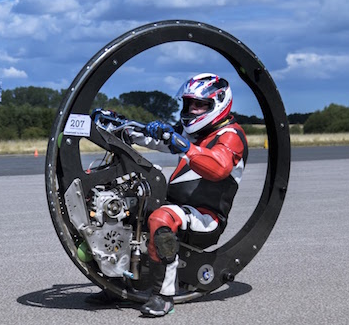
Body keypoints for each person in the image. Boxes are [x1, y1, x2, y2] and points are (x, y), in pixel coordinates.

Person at [86, 73, 248, 317]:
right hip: (176, 206)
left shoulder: (231, 136)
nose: (192, 110)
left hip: (205, 217)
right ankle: (116, 282)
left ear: (219, 103)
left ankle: (164, 296)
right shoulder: (193, 133)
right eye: (189, 104)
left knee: (162, 218)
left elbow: (218, 167)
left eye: (200, 105)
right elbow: (158, 140)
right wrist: (121, 126)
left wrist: (182, 145)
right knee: (125, 206)